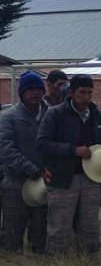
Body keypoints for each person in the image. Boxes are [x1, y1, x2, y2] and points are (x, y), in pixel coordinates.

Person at [37, 74, 101, 254]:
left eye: (90, 93)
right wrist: (72, 150)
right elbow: (42, 144)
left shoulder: (97, 116)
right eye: (82, 92)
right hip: (62, 179)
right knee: (59, 227)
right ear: (71, 93)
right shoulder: (55, 114)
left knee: (90, 227)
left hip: (91, 178)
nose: (86, 97)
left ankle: (89, 264)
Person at [0, 71, 48, 252]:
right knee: (12, 232)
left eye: (38, 89)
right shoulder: (9, 117)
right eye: (30, 90)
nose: (35, 93)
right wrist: (30, 169)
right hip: (15, 183)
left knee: (41, 232)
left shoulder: (50, 115)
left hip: (44, 183)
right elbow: (5, 149)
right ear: (21, 93)